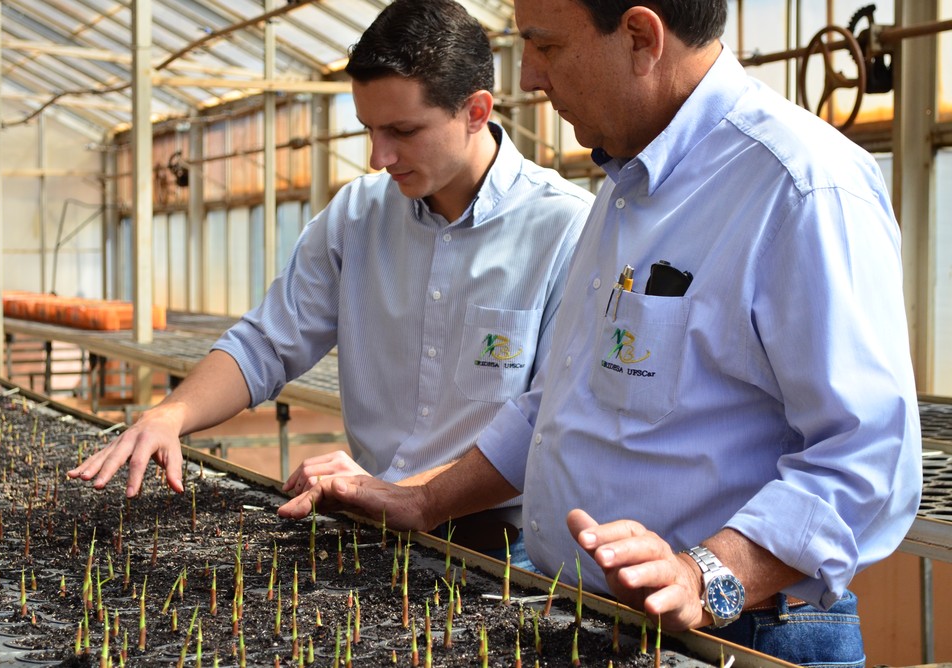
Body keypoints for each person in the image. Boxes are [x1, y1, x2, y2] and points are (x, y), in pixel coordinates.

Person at [278, 1, 922, 665]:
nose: (528, 77)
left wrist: (708, 574)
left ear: (641, 37)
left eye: (545, 46)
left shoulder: (799, 187)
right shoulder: (628, 184)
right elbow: (562, 398)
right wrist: (422, 501)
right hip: (608, 618)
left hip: (741, 634)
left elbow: (865, 453)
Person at [67, 0, 592, 556]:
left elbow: (546, 430)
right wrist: (173, 413)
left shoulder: (564, 228)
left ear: (476, 112)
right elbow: (267, 343)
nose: (378, 156)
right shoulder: (358, 215)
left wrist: (403, 493)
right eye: (368, 128)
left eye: (403, 130)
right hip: (370, 528)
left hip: (496, 550)